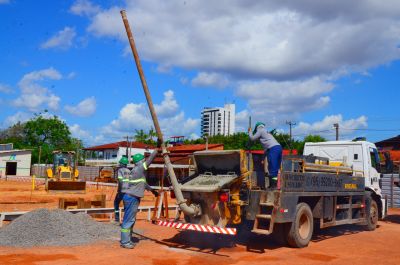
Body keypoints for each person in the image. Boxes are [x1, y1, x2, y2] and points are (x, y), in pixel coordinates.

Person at [120, 148, 159, 249]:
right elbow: (149, 161)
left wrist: (152, 190)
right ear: (140, 161)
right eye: (143, 160)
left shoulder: (137, 172)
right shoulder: (139, 169)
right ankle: (125, 242)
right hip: (131, 198)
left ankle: (128, 240)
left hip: (132, 197)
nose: (144, 161)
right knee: (128, 220)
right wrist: (156, 151)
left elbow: (144, 183)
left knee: (131, 219)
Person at [249, 122, 282, 188]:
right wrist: (263, 158)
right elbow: (266, 150)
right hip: (278, 148)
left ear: (257, 127)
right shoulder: (266, 133)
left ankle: (273, 186)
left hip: (273, 149)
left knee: (272, 168)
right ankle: (273, 185)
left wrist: (249, 132)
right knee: (275, 168)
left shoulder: (260, 130)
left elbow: (252, 138)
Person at [113, 156, 129, 225]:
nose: (119, 164)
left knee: (116, 203)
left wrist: (119, 190)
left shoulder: (120, 170)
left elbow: (120, 181)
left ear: (122, 164)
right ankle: (125, 220)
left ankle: (117, 219)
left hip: (122, 190)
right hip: (128, 191)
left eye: (120, 163)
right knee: (126, 206)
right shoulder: (129, 171)